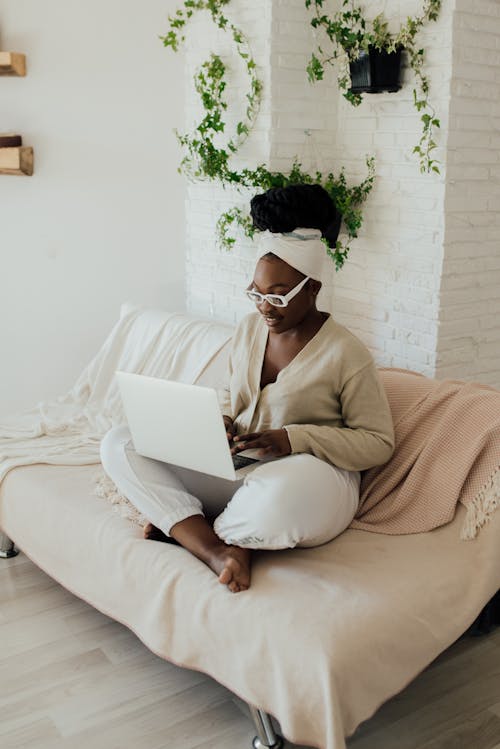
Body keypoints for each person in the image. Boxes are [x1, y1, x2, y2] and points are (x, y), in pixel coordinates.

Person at [100, 184, 395, 594]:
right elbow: (230, 394)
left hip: (309, 481)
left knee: (279, 499)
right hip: (241, 469)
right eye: (256, 293)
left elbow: (378, 443)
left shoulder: (347, 352)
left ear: (313, 289)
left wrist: (294, 440)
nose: (263, 307)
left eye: (277, 296)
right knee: (120, 443)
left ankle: (188, 528)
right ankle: (218, 549)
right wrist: (218, 421)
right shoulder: (249, 330)